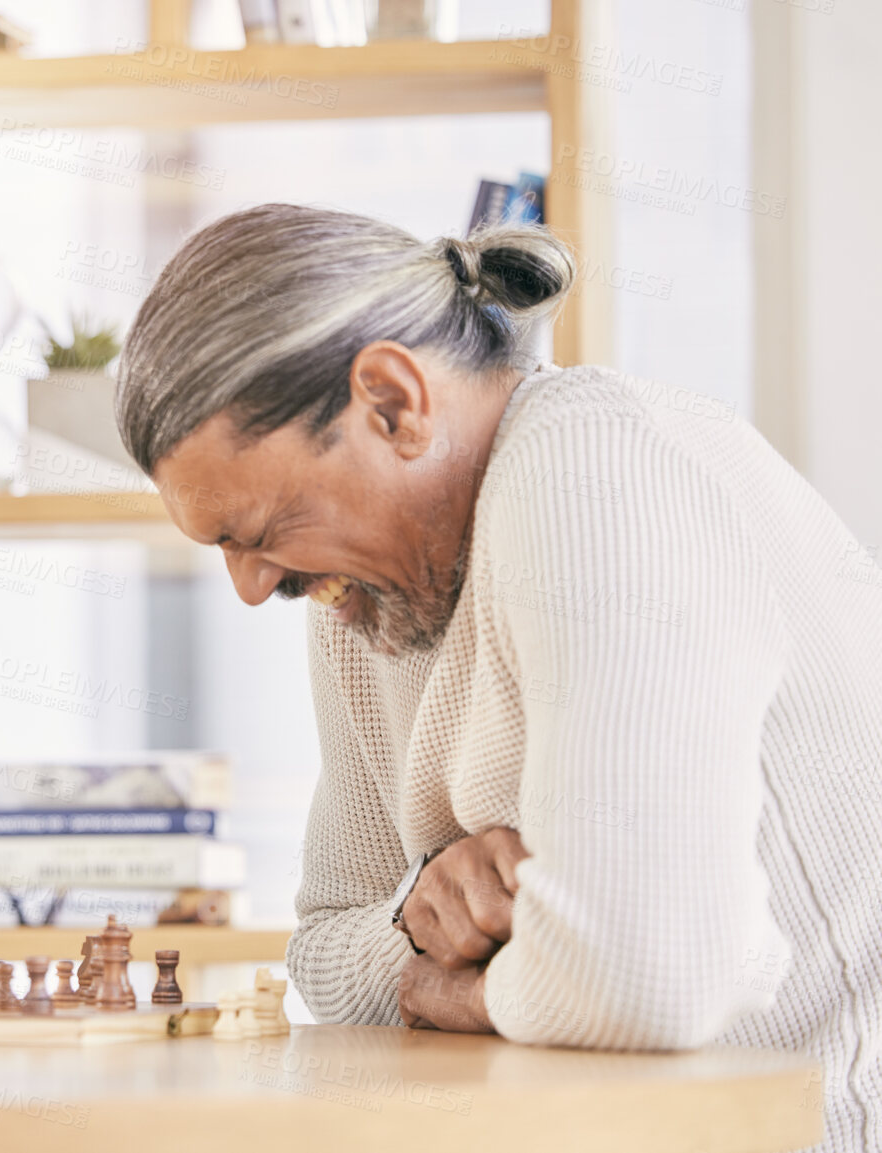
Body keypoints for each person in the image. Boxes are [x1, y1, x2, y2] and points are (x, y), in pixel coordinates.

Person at [116, 203, 881, 1151]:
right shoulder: (363, 589)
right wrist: (430, 905)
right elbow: (323, 952)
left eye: (259, 531)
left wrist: (445, 983)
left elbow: (648, 974)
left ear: (392, 402)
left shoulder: (596, 462)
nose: (249, 586)